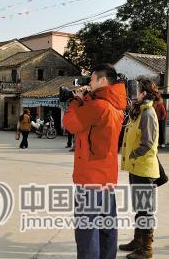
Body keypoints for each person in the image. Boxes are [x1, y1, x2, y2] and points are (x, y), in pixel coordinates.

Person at [63, 63, 127, 259]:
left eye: (91, 79)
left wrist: (75, 102)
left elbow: (70, 124)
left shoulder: (99, 106)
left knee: (87, 231)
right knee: (107, 226)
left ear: (103, 80)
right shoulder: (115, 104)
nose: (88, 83)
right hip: (106, 177)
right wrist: (85, 99)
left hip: (90, 178)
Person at [120, 79, 160, 259]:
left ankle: (146, 249)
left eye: (138, 90)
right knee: (140, 208)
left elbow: (148, 143)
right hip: (136, 168)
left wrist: (133, 155)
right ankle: (138, 241)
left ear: (145, 93)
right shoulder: (138, 111)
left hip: (144, 169)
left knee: (145, 210)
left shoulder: (148, 113)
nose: (134, 93)